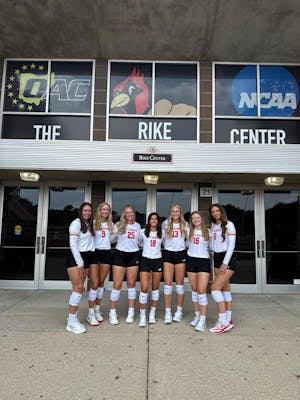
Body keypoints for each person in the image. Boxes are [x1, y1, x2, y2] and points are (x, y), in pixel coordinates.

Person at [109, 205, 141, 325]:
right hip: (120, 255)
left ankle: (131, 312)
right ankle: (112, 313)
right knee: (117, 284)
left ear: (134, 213)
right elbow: (111, 239)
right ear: (124, 214)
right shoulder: (118, 225)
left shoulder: (138, 226)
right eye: (127, 212)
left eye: (131, 212)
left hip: (133, 255)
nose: (129, 214)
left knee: (131, 284)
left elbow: (140, 240)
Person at [66, 202, 95, 334]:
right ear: (80, 211)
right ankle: (71, 322)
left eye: (89, 211)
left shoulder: (88, 224)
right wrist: (80, 263)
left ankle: (73, 318)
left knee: (79, 288)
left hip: (86, 257)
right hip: (76, 258)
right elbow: (73, 245)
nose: (87, 213)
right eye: (85, 210)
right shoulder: (76, 223)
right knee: (78, 289)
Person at [86, 202, 116, 326]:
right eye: (103, 209)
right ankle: (90, 312)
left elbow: (113, 239)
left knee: (101, 283)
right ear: (99, 210)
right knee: (94, 283)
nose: (105, 211)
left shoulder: (111, 224)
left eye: (107, 210)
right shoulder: (93, 223)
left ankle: (97, 310)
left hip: (106, 253)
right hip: (95, 253)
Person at [209, 203, 236, 334]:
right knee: (225, 288)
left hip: (227, 258)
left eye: (217, 211)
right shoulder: (214, 226)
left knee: (214, 288)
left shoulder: (229, 224)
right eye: (213, 212)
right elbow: (212, 245)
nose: (215, 213)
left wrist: (225, 263)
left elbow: (231, 246)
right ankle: (228, 319)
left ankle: (223, 322)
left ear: (221, 212)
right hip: (217, 258)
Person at [162, 204, 188, 324]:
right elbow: (162, 240)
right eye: (173, 211)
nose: (175, 213)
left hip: (180, 254)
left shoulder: (185, 224)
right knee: (167, 284)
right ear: (170, 212)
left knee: (179, 284)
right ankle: (168, 312)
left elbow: (188, 240)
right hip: (168, 253)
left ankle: (179, 311)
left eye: (177, 211)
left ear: (180, 212)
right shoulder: (165, 224)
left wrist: (181, 247)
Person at [186, 211, 211, 332]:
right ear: (191, 221)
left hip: (203, 261)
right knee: (195, 290)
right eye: (193, 218)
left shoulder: (208, 232)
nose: (196, 220)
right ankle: (197, 315)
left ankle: (203, 319)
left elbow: (213, 246)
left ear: (201, 219)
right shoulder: (188, 231)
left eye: (197, 218)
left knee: (201, 290)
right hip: (191, 260)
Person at [138, 212, 163, 327]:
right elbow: (138, 243)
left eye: (155, 219)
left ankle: (152, 313)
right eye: (151, 219)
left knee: (155, 288)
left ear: (158, 221)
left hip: (157, 260)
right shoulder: (142, 232)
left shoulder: (162, 232)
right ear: (148, 221)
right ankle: (143, 316)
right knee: (144, 288)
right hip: (145, 260)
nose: (153, 220)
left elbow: (166, 244)